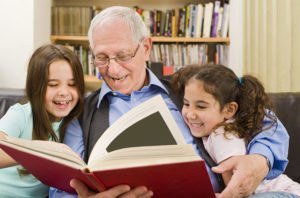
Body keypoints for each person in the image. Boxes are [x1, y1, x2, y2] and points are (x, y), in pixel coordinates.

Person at [50, 6, 289, 198]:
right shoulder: (81, 113)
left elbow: (265, 120)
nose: (112, 69)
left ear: (146, 47)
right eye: (102, 58)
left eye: (123, 56)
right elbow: (61, 187)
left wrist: (260, 160)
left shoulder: (187, 87)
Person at [171, 64, 300, 197]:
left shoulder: (221, 135)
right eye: (186, 104)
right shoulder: (225, 125)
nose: (190, 114)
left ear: (229, 109)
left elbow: (236, 186)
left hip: (283, 193)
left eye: (201, 106)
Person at [0, 44, 85, 197]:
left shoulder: (78, 122)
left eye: (72, 84)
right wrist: (43, 151)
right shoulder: (21, 114)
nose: (64, 92)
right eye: (53, 85)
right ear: (35, 87)